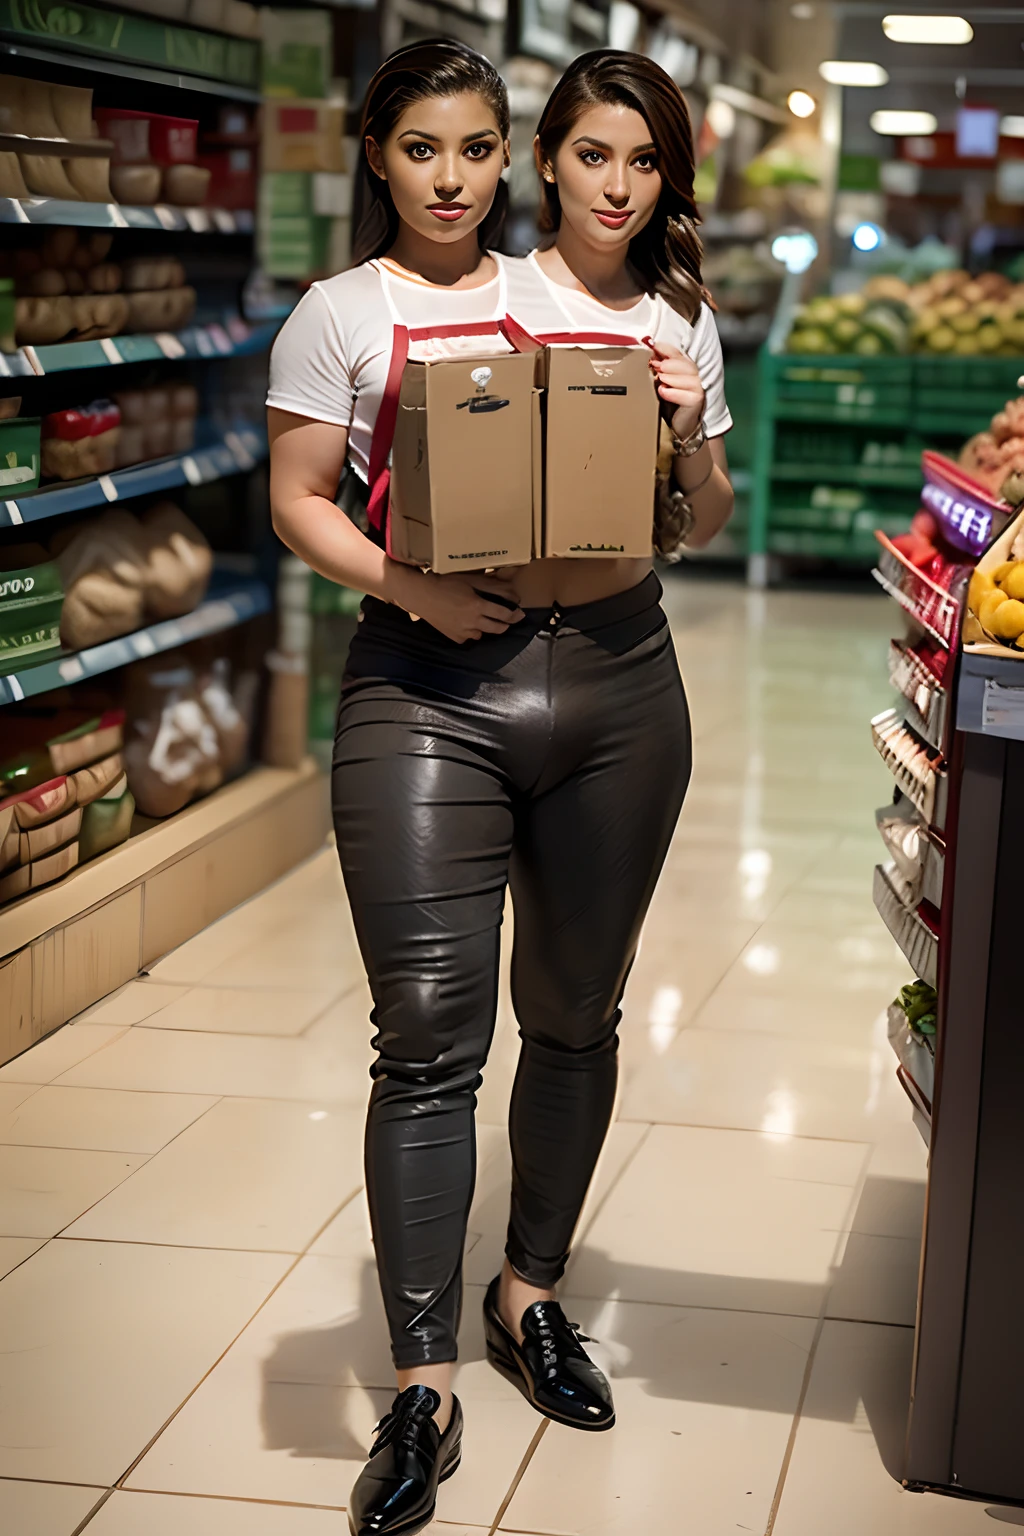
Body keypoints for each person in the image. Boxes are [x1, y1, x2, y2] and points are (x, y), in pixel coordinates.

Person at [266, 39, 732, 1536]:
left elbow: (701, 516)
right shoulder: (453, 292)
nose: (610, 185)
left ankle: (529, 1293)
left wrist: (674, 413)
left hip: (619, 684)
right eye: (585, 156)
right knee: (426, 1035)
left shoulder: (674, 322)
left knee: (579, 1012)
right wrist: (412, 582)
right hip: (428, 684)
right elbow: (312, 487)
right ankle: (422, 1381)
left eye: (641, 161)